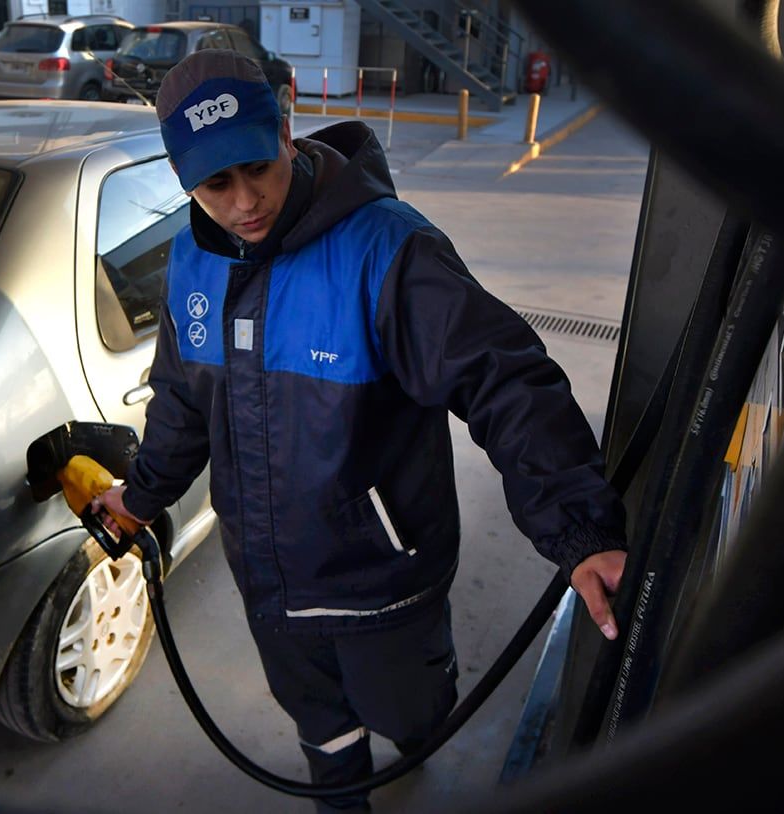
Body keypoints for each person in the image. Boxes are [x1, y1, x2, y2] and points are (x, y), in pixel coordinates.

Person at [93, 49, 628, 812]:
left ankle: (416, 746)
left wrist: (580, 529)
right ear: (184, 179)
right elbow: (181, 404)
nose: (245, 202)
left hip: (383, 587)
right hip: (270, 588)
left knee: (415, 718)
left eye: (257, 168)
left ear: (285, 133)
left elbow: (503, 379)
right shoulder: (191, 263)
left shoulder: (388, 249)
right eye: (216, 184)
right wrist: (141, 499)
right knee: (320, 728)